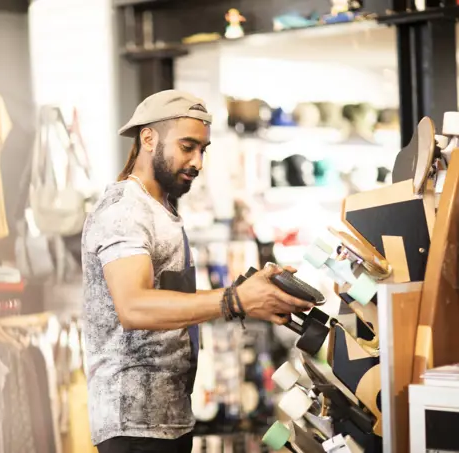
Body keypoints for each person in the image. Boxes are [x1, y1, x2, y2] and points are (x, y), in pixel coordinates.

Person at [81, 90, 314, 453]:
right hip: (134, 426)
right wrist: (234, 299)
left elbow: (173, 300)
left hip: (170, 418)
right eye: (187, 146)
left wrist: (250, 296)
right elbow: (134, 307)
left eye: (203, 150)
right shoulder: (124, 212)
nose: (198, 162)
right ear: (148, 137)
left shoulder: (159, 209)